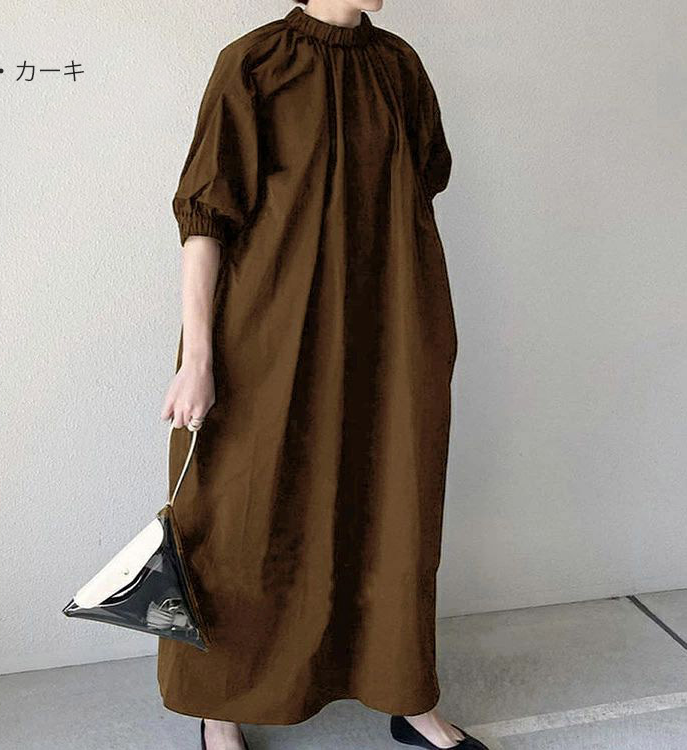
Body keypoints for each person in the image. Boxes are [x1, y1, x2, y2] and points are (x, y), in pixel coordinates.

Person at [159, 2, 488, 749]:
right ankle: (219, 710)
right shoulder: (254, 63)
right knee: (238, 514)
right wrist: (198, 358)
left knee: (393, 505)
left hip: (389, 325)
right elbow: (205, 216)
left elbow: (420, 186)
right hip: (268, 333)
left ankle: (408, 696)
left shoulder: (399, 65)